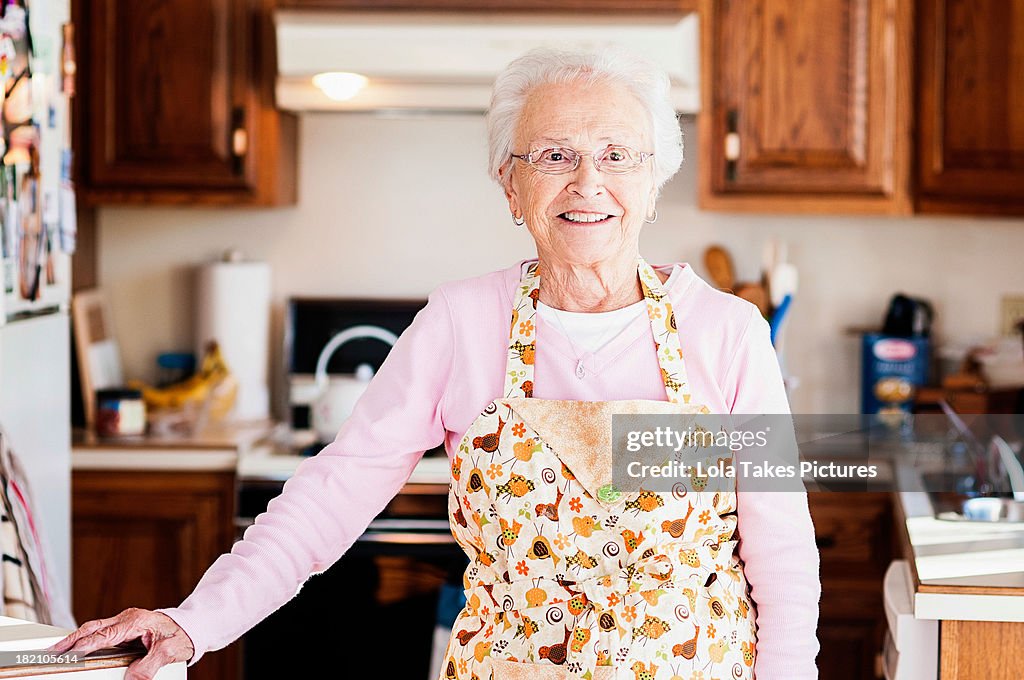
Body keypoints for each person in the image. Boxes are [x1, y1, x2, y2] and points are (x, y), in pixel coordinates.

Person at [51, 47, 820, 679]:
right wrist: (195, 623)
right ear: (511, 187)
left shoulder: (726, 334)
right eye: (555, 155)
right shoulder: (462, 323)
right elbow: (332, 494)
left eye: (618, 155)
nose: (589, 182)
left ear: (653, 183)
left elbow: (781, 558)